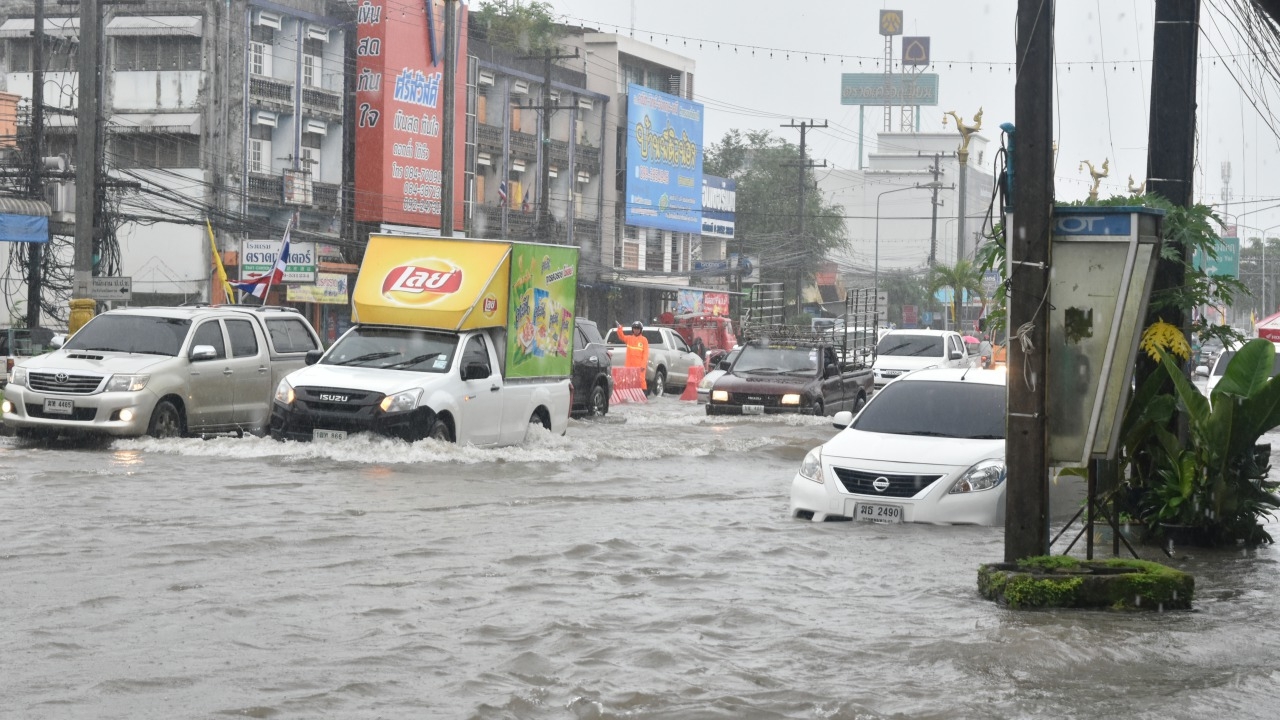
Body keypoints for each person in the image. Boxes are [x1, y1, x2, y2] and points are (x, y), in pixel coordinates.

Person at [616, 320, 650, 393]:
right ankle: (630, 394)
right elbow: (621, 336)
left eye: (638, 329)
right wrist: (619, 328)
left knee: (641, 380)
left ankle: (644, 395)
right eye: (635, 328)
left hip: (640, 366)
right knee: (628, 381)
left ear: (640, 330)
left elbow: (646, 354)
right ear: (632, 329)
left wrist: (643, 365)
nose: (636, 330)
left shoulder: (644, 340)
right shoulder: (629, 338)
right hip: (629, 366)